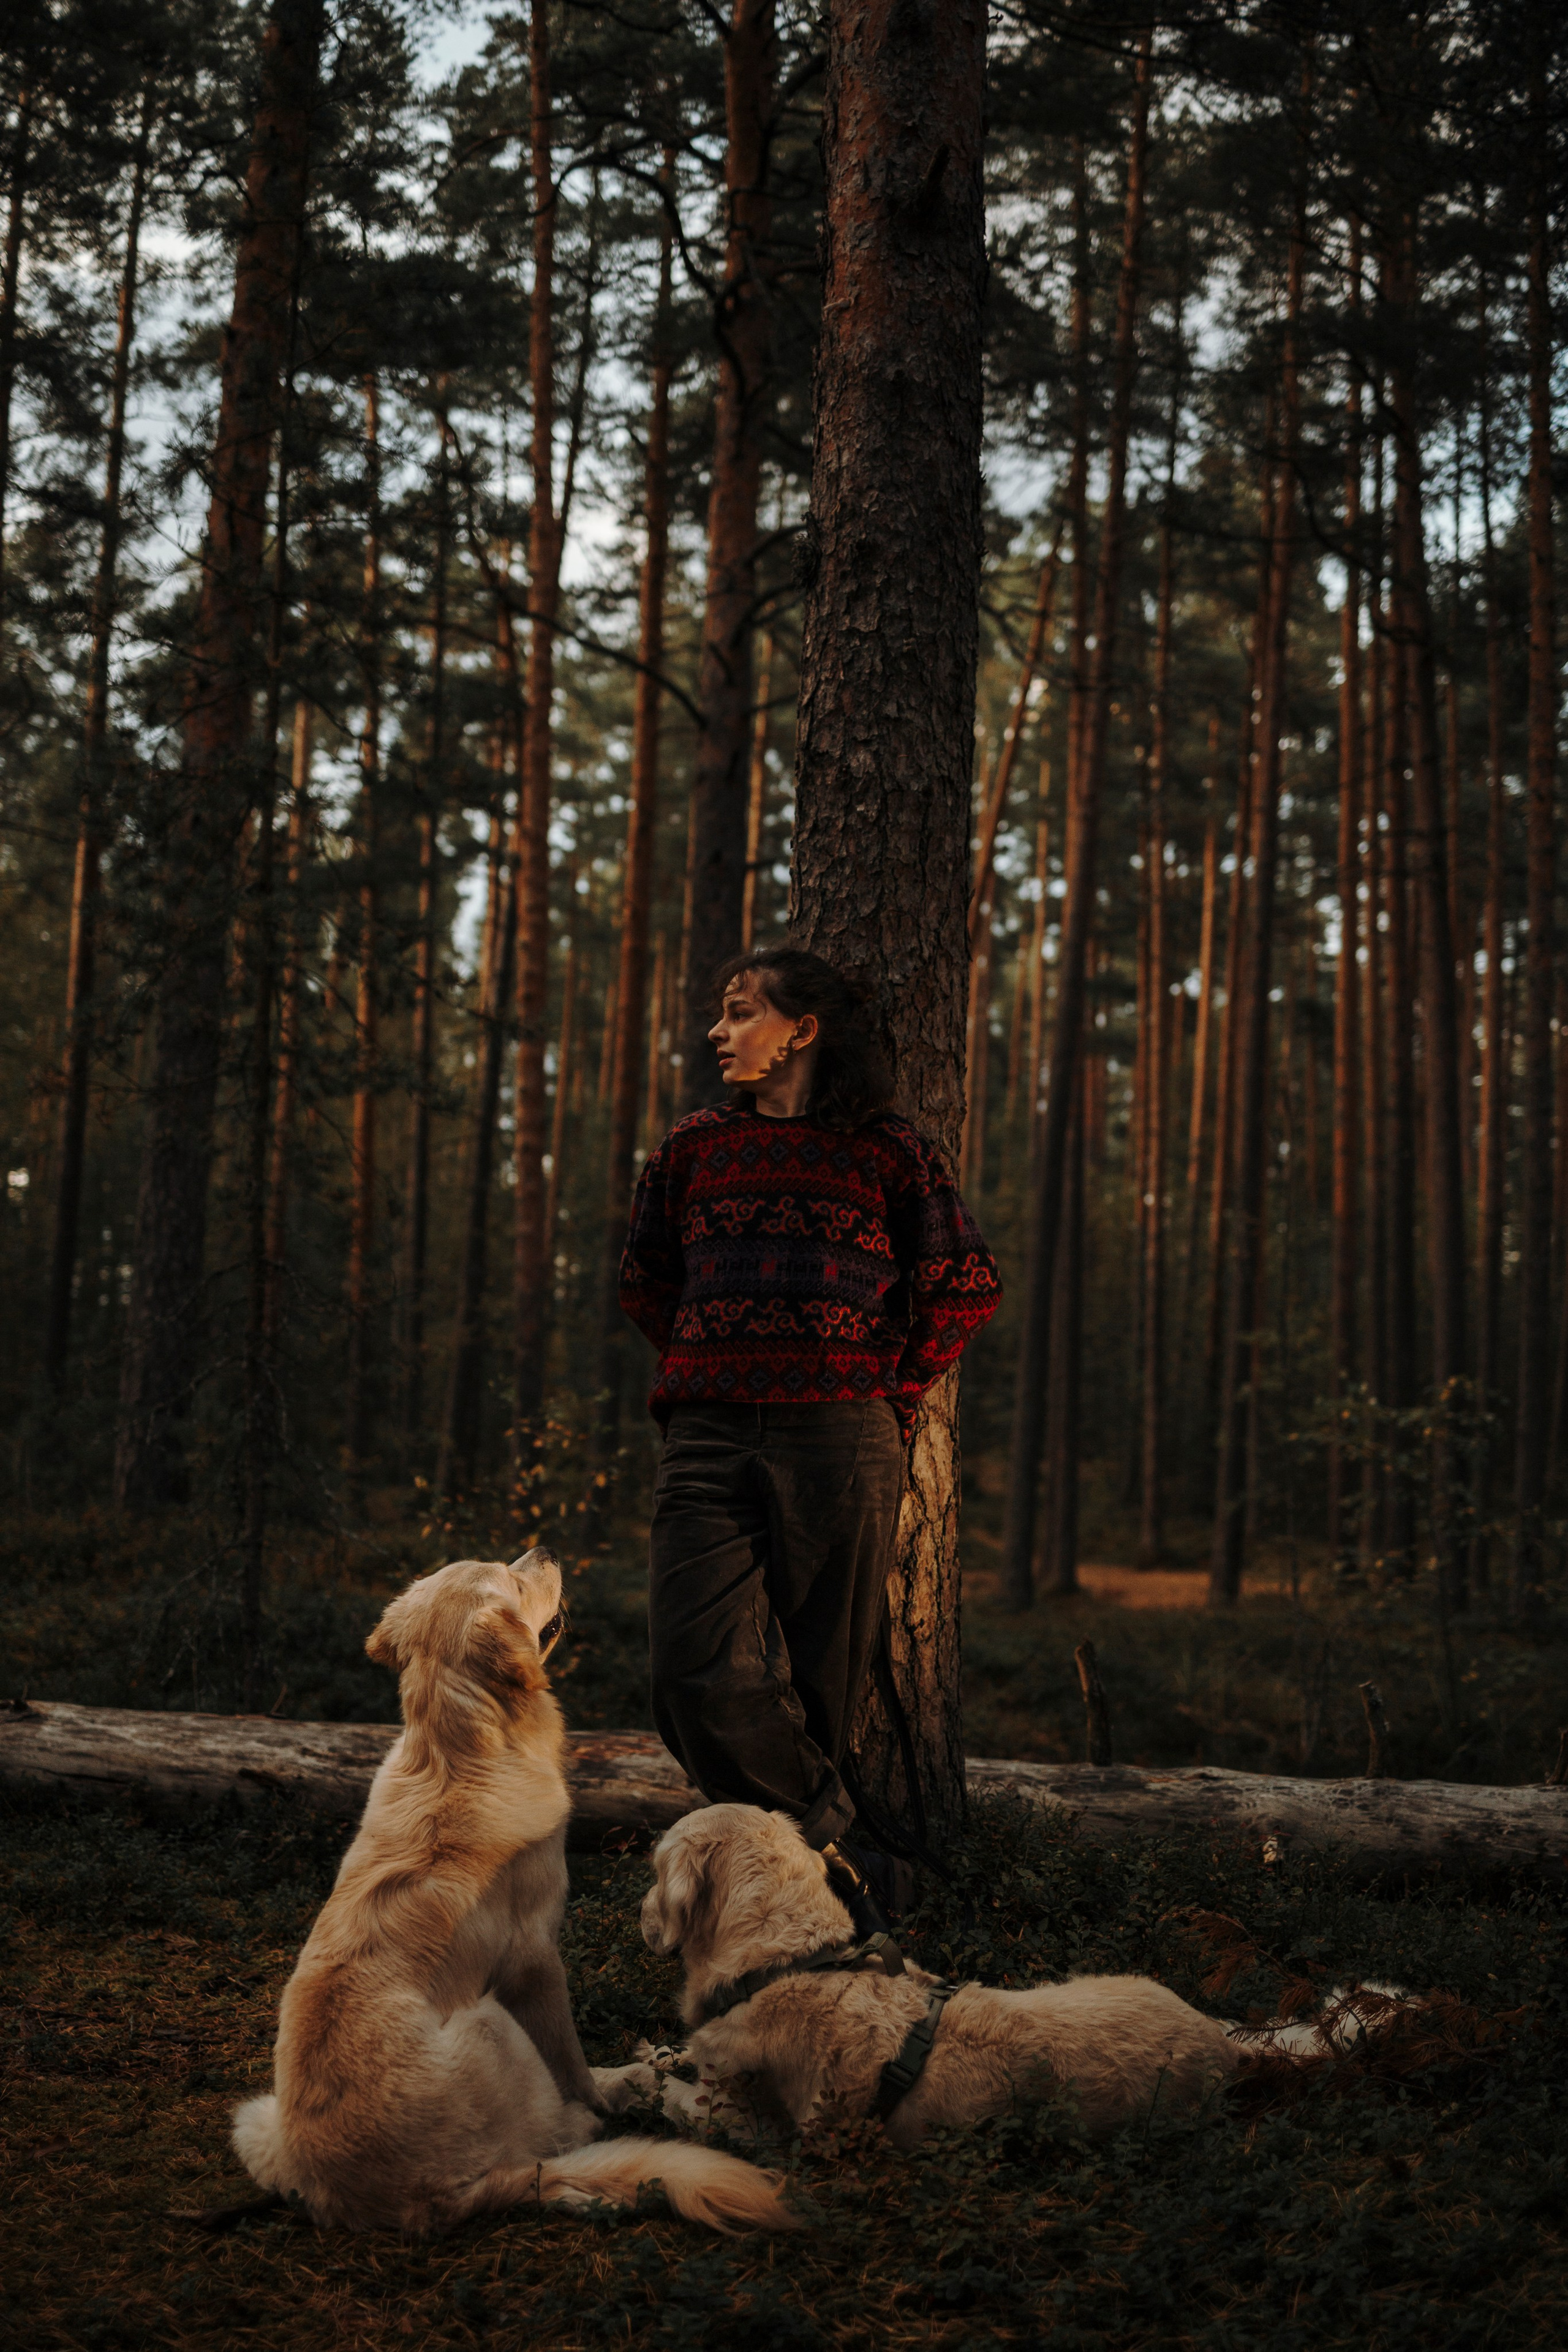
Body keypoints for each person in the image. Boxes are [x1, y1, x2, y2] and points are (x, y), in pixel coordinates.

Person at [618, 946, 1001, 1934]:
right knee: (690, 1667)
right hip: (706, 1437)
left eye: (741, 1012)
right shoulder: (695, 1147)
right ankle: (846, 1844)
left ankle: (790, 1913)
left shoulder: (890, 1151)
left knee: (821, 1679)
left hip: (841, 1440)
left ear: (803, 1030)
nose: (719, 1031)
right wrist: (726, 1351)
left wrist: (890, 1390)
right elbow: (646, 1278)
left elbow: (965, 1283)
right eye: (722, 1013)